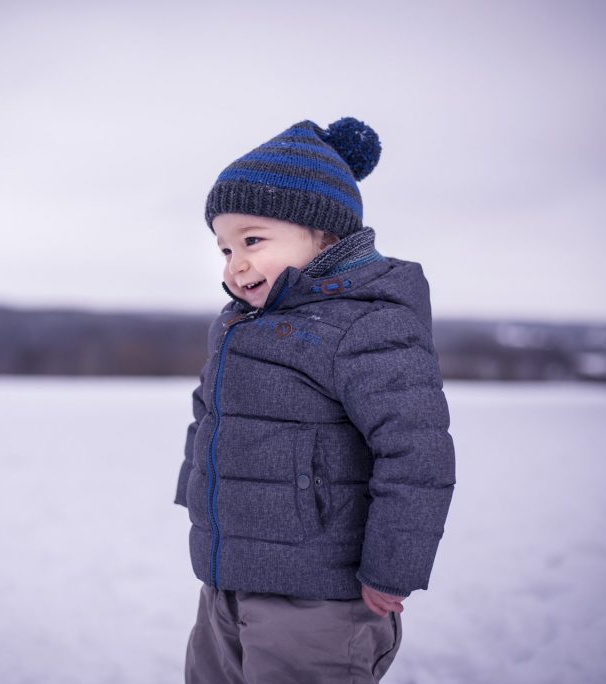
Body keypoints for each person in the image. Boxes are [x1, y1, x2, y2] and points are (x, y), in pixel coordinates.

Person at [173, 116, 456, 683]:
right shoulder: (238, 327)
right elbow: (209, 418)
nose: (236, 264)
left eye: (253, 240)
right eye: (225, 248)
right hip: (229, 578)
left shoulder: (366, 326)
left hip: (322, 596)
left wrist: (391, 568)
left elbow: (416, 455)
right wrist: (198, 502)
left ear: (323, 236)